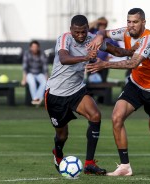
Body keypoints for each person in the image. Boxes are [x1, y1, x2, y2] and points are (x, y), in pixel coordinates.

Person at [86, 8, 150, 176]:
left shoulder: (148, 40)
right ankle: (125, 166)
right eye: (129, 21)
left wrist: (104, 64)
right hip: (135, 85)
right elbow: (103, 31)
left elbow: (133, 63)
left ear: (143, 22)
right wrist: (100, 36)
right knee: (116, 117)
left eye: (135, 22)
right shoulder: (125, 32)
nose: (131, 25)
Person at [45, 14, 136, 175]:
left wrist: (132, 51)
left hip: (76, 90)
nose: (80, 36)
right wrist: (86, 57)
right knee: (62, 135)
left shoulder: (92, 39)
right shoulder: (64, 38)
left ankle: (89, 163)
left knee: (95, 115)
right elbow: (64, 58)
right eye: (76, 32)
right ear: (71, 30)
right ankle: (57, 153)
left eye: (83, 32)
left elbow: (114, 50)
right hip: (56, 93)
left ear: (88, 29)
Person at [21, 40, 48, 105]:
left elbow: (45, 68)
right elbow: (25, 67)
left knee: (45, 82)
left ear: (38, 47)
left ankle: (37, 98)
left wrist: (47, 78)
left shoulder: (42, 54)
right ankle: (36, 98)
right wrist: (24, 79)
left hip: (39, 73)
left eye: (36, 47)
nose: (34, 48)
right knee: (32, 82)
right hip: (30, 73)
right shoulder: (27, 54)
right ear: (30, 47)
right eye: (33, 47)